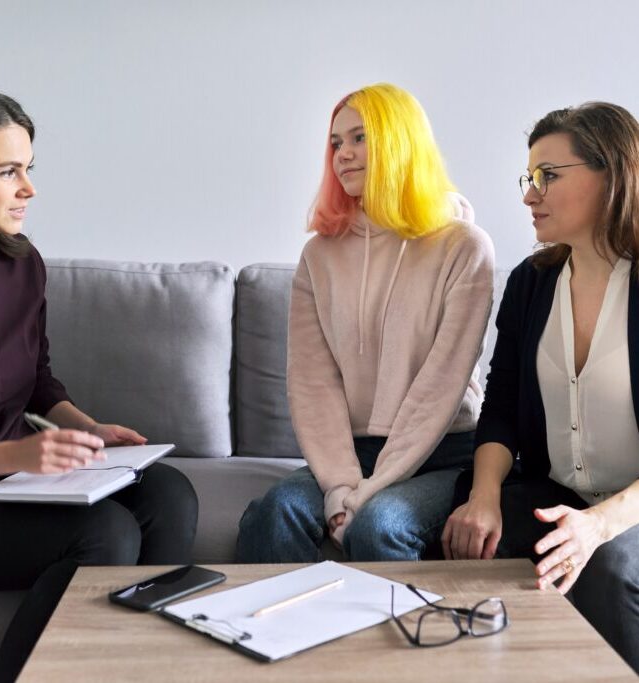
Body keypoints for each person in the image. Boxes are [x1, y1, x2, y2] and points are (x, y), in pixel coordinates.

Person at [0, 81, 198, 680]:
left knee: (170, 494)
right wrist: (18, 453)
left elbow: (37, 379)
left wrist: (89, 431)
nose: (29, 189)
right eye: (8, 171)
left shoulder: (19, 265)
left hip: (12, 480)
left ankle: (140, 668)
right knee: (103, 534)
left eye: (29, 168)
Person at [236, 83, 494, 562]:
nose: (342, 155)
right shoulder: (319, 255)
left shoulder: (464, 247)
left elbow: (441, 384)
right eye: (336, 143)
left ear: (399, 142)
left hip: (444, 450)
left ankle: (391, 640)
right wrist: (339, 486)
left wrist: (372, 491)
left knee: (380, 525)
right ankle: (272, 636)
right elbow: (313, 384)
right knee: (275, 512)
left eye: (359, 139)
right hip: (350, 452)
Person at [441, 102, 639, 673]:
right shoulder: (532, 282)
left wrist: (598, 527)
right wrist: (482, 498)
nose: (530, 194)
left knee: (610, 565)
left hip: (630, 512)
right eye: (529, 178)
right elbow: (500, 403)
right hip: (561, 497)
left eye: (548, 176)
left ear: (613, 173)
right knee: (465, 524)